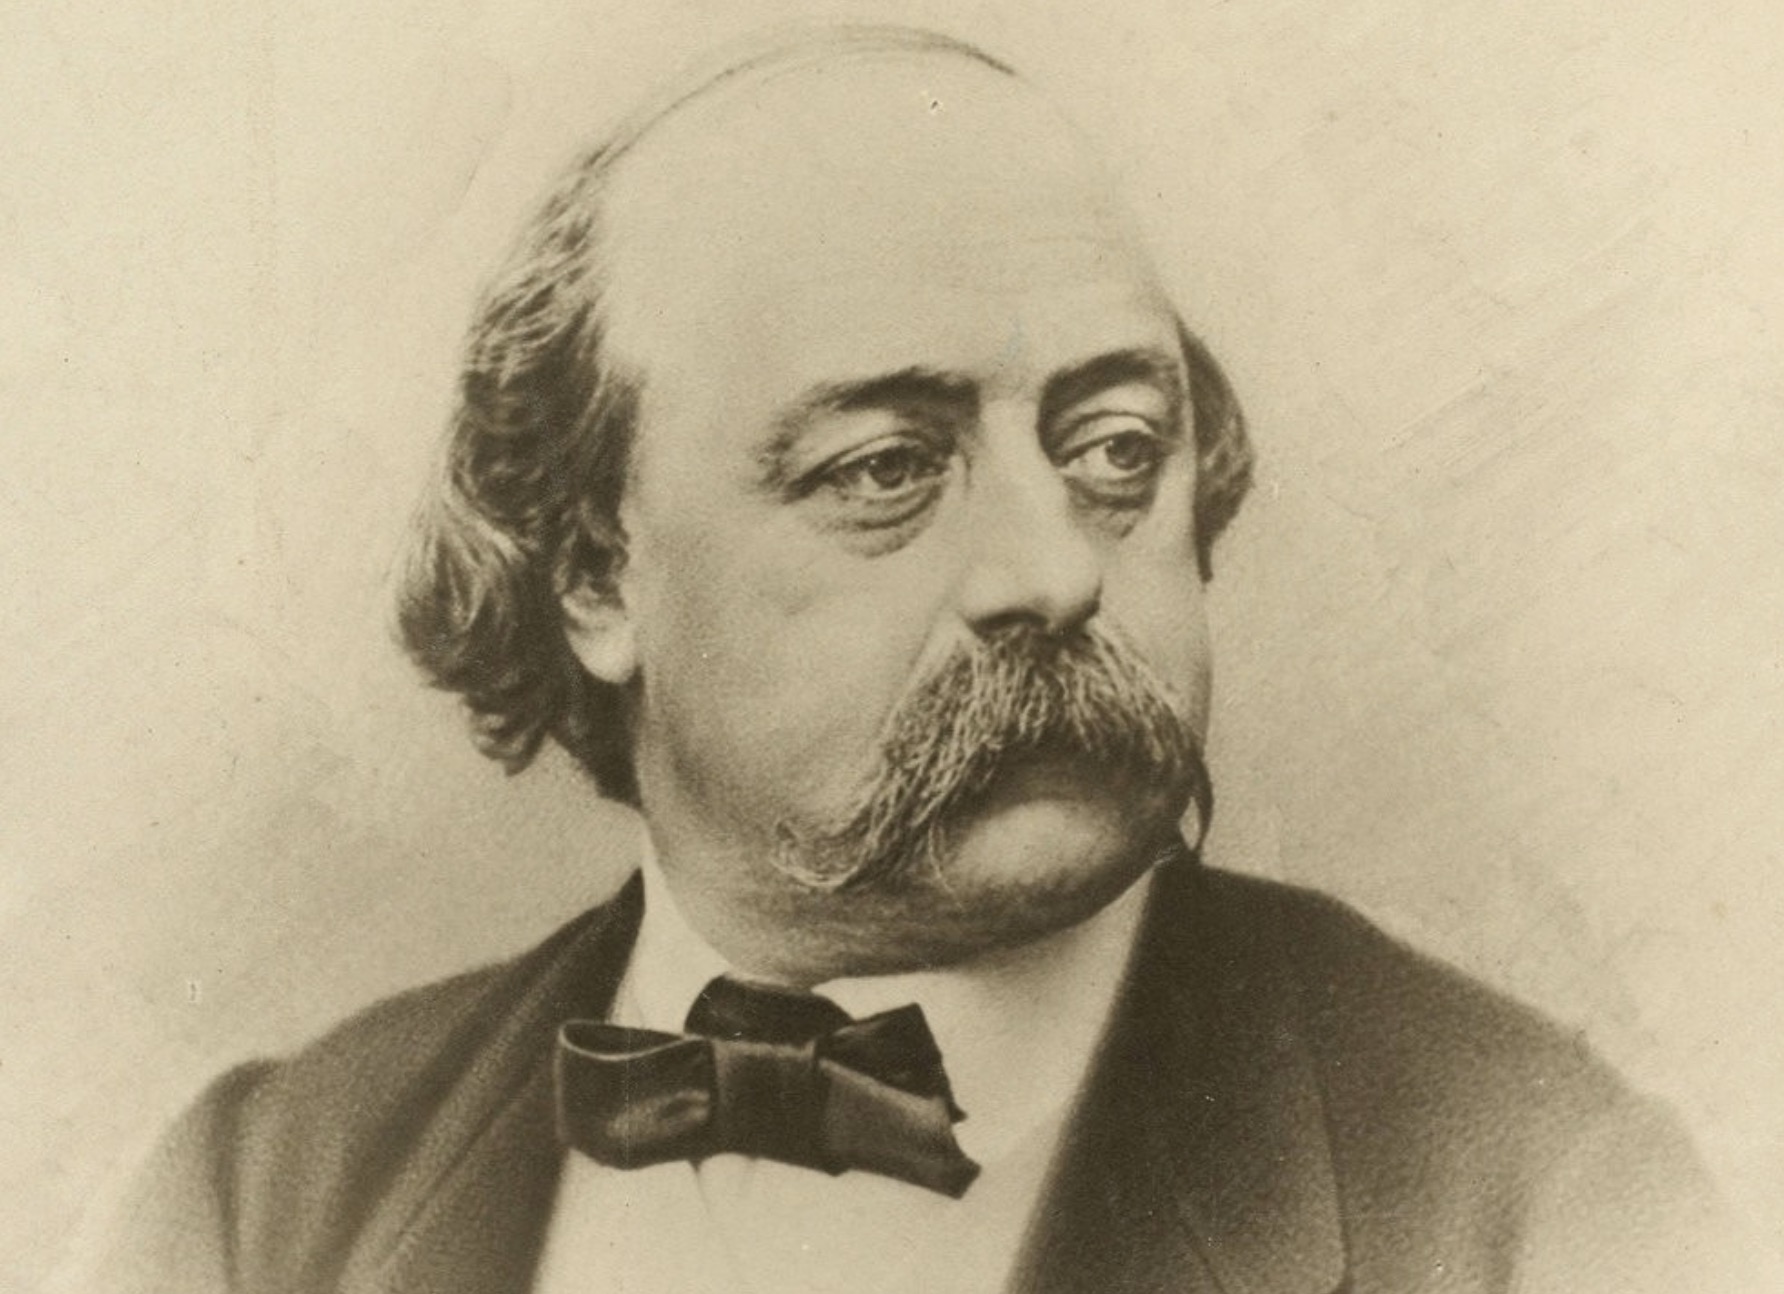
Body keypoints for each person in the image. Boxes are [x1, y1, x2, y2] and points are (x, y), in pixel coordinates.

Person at [72, 25, 1765, 1294]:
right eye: (886, 467)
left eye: (1115, 448)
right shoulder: (256, 1208)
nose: (1051, 569)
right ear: (596, 572)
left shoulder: (1544, 1201)